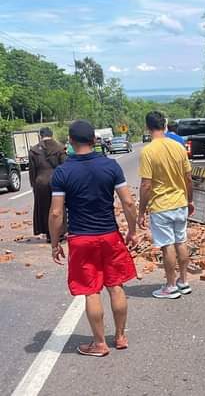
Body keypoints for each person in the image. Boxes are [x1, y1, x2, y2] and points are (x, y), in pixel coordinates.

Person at [49, 120, 138, 357]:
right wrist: (132, 230)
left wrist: (55, 242)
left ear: (70, 141)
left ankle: (99, 343)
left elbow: (57, 212)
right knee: (115, 285)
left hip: (81, 238)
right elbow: (128, 202)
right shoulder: (111, 167)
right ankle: (120, 336)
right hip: (109, 235)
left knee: (91, 290)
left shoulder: (63, 172)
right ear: (94, 140)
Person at [138, 111, 194, 299]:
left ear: (147, 127)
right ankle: (184, 281)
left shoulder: (148, 151)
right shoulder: (179, 147)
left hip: (161, 206)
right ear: (165, 125)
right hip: (180, 203)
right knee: (181, 241)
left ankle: (170, 286)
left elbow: (146, 184)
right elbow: (188, 178)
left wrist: (141, 211)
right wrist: (190, 200)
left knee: (167, 245)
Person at [29, 127, 67, 242]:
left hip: (41, 182)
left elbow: (32, 171)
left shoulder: (34, 150)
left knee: (45, 207)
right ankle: (60, 234)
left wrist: (34, 185)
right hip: (57, 180)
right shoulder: (60, 148)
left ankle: (49, 234)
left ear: (40, 135)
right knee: (59, 207)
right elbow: (65, 167)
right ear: (52, 135)